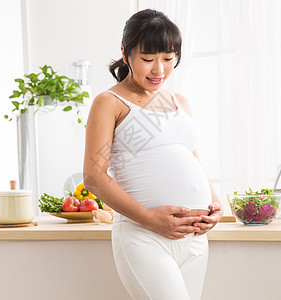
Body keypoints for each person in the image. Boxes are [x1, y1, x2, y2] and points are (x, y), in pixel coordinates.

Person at [83, 8, 223, 300]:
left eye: (168, 58)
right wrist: (150, 218)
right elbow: (94, 176)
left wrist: (215, 203)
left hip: (194, 238)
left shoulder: (179, 102)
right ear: (125, 53)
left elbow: (192, 160)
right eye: (148, 59)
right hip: (143, 237)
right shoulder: (110, 102)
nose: (159, 70)